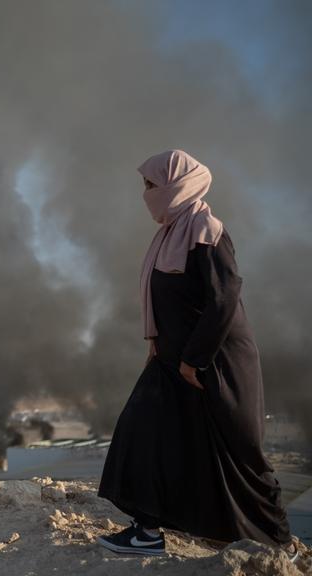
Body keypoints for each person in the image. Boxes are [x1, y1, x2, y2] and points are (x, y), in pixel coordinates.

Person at [97, 150, 297, 562]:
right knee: (144, 433)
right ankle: (146, 530)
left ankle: (280, 544)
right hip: (172, 360)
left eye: (151, 185)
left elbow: (224, 300)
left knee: (239, 454)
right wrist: (158, 343)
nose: (146, 193)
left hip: (216, 363)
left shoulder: (207, 230)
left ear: (176, 185)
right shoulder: (170, 233)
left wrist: (195, 360)